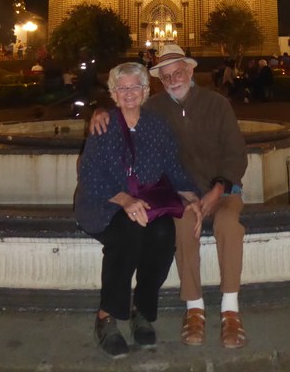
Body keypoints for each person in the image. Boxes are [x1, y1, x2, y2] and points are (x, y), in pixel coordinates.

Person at [89, 44, 248, 350]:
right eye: (166, 76)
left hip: (223, 191)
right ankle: (194, 309)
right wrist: (99, 113)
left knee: (229, 225)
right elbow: (125, 105)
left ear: (190, 71)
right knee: (181, 227)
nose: (174, 80)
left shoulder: (217, 104)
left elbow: (236, 154)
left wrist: (218, 189)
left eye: (178, 73)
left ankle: (230, 311)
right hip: (184, 194)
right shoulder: (154, 108)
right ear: (159, 82)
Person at [75, 61, 201, 359]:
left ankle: (141, 309)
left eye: (135, 87)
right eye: (122, 88)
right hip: (103, 204)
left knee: (163, 232)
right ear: (113, 93)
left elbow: (172, 166)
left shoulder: (156, 125)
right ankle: (106, 316)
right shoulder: (104, 124)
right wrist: (124, 201)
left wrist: (192, 196)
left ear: (145, 91)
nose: (129, 93)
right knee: (128, 232)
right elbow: (89, 175)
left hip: (144, 204)